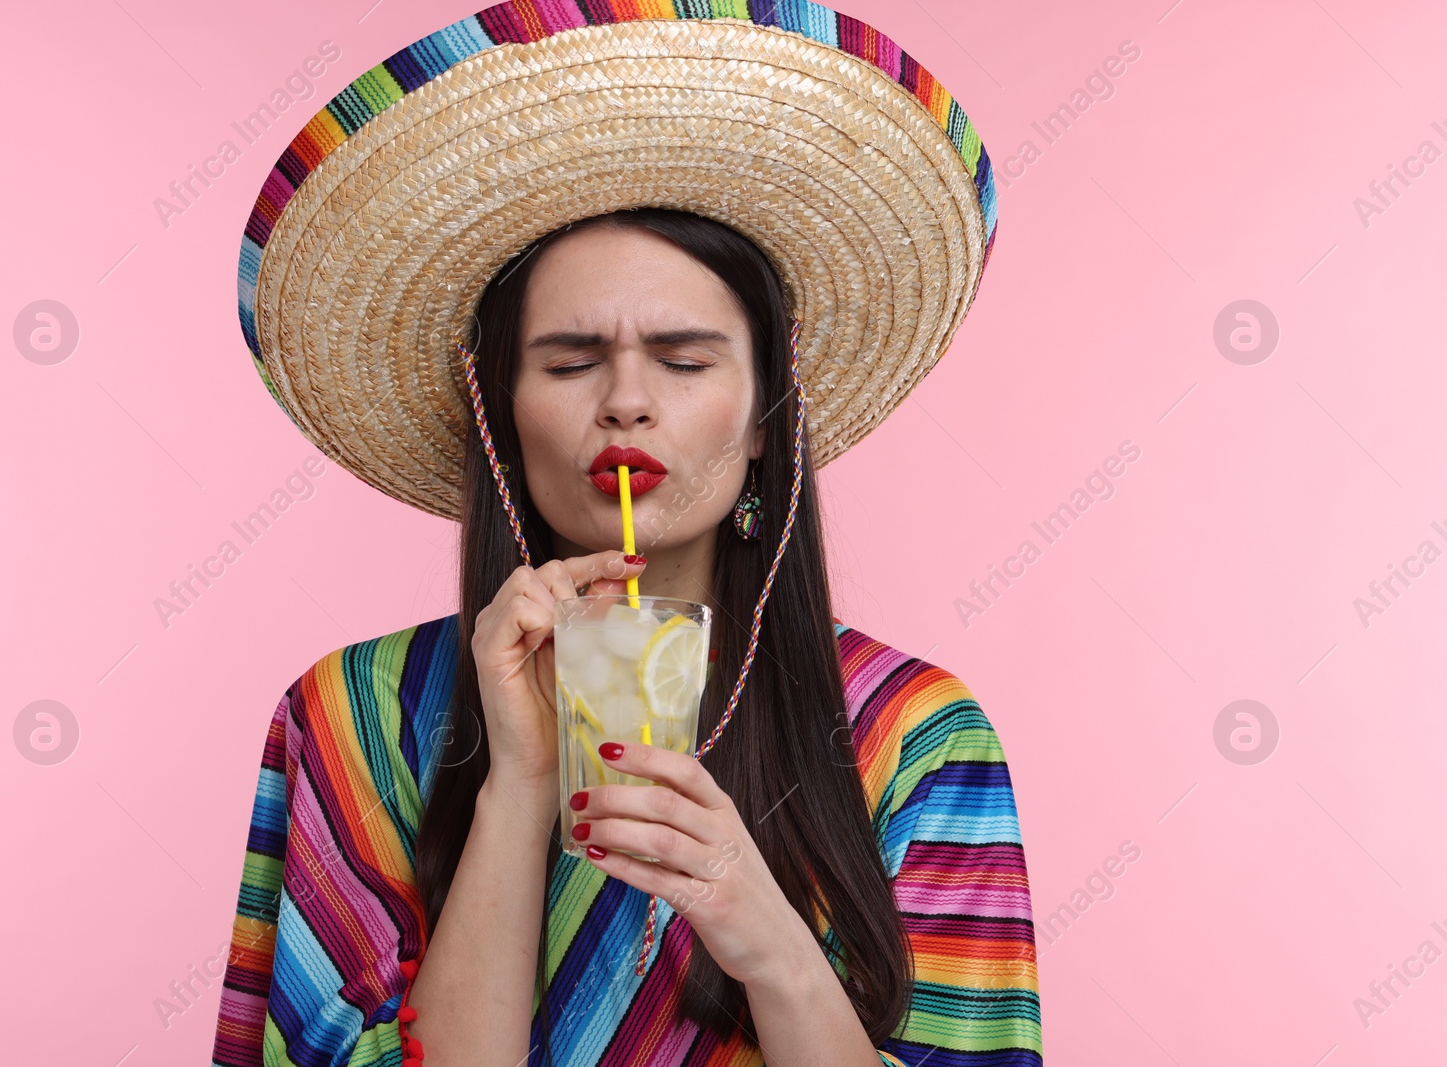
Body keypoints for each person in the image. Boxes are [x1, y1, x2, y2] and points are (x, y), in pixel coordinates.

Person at [212, 5, 1041, 1066]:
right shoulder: (355, 712)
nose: (625, 403)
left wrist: (764, 934)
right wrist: (517, 785)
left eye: (685, 360)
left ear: (761, 427)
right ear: (503, 418)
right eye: (567, 362)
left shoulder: (915, 736)